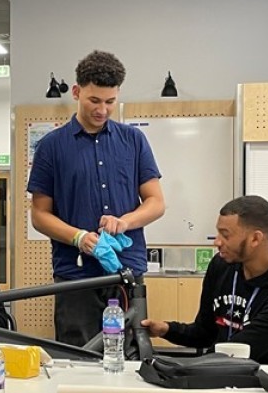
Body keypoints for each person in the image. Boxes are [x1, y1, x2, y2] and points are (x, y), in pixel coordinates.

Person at [27, 50, 165, 347]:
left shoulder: (134, 141)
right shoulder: (51, 147)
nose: (102, 110)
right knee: (78, 357)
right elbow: (39, 215)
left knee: (129, 356)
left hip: (126, 271)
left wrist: (125, 221)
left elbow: (156, 202)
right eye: (94, 101)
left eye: (110, 102)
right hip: (76, 275)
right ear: (76, 92)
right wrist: (77, 237)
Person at [141, 195, 268, 379]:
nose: (217, 241)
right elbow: (205, 333)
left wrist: (175, 368)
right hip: (221, 374)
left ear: (255, 238)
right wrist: (165, 329)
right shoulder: (221, 266)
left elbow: (240, 354)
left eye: (225, 235)